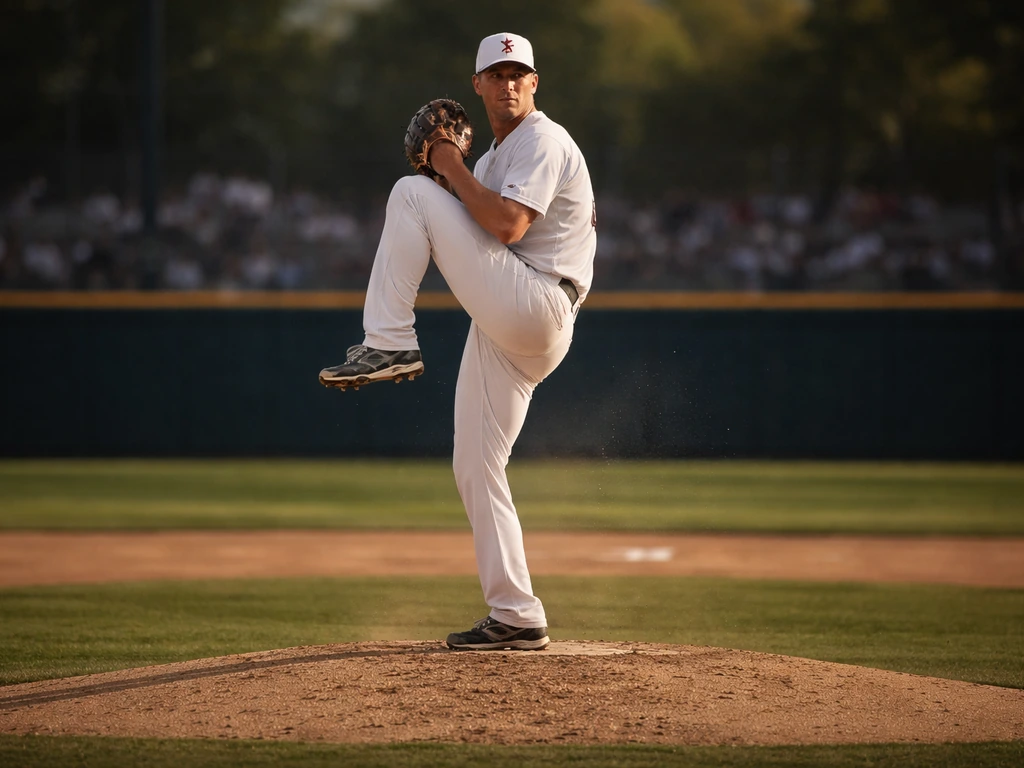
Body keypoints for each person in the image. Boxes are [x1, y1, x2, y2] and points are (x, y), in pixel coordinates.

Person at [319, 32, 597, 651]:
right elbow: (464, 223)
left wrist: (443, 168)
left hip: (540, 302)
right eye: (496, 75)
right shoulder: (496, 159)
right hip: (510, 318)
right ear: (478, 86)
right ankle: (517, 615)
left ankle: (390, 340)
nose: (507, 83)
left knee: (408, 192)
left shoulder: (543, 140)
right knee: (474, 464)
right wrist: (450, 176)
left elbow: (504, 224)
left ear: (534, 81)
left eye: (518, 73)